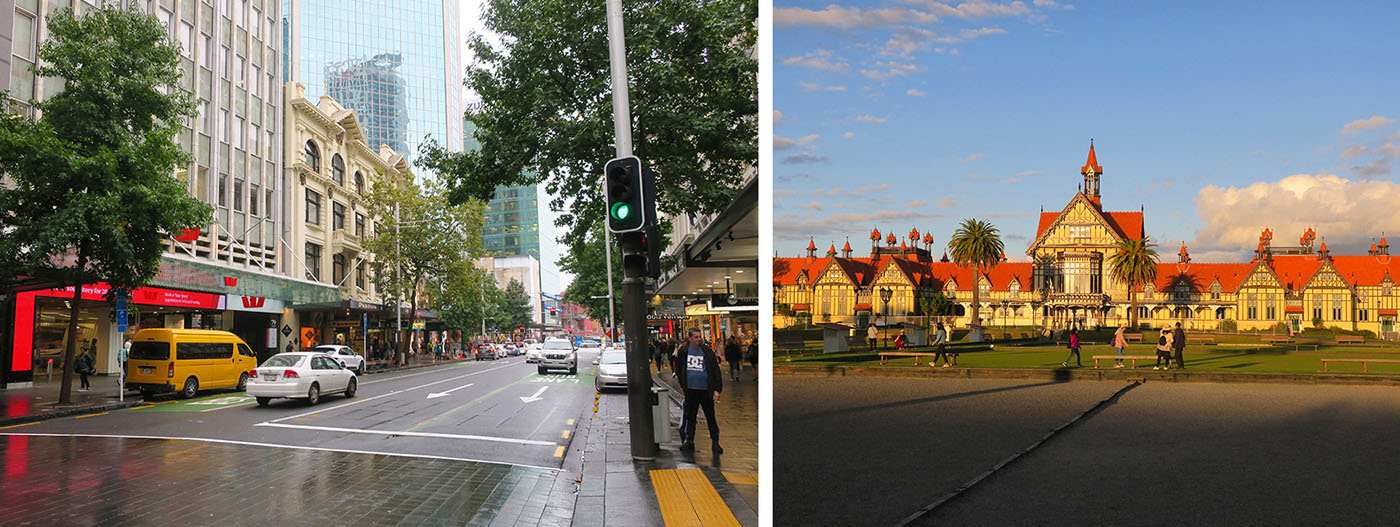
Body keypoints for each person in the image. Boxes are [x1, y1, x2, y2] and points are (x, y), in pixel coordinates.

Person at [677, 328, 723, 454]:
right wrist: (683, 386)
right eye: (696, 337)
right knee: (690, 416)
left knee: (710, 416)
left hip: (705, 389)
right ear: (690, 338)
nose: (698, 339)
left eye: (699, 337)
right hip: (691, 389)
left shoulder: (707, 351)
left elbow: (715, 370)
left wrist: (717, 389)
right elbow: (679, 369)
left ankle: (715, 442)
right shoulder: (684, 351)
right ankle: (690, 440)